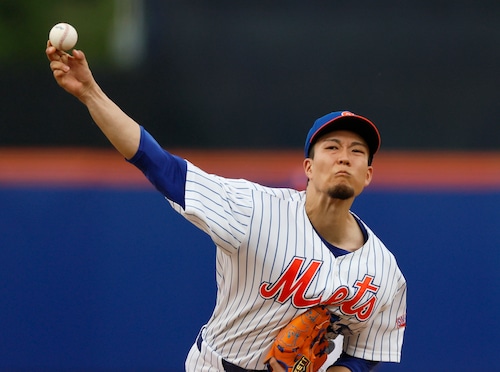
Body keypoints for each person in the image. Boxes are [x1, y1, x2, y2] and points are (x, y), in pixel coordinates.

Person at [46, 42, 406, 372]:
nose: (344, 158)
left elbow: (366, 351)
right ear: (308, 168)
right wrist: (90, 93)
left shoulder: (384, 273)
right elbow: (162, 166)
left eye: (357, 151)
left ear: (368, 174)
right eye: (332, 147)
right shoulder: (255, 211)